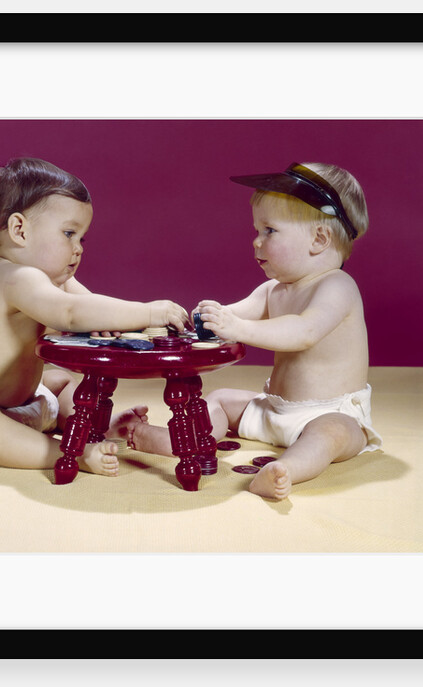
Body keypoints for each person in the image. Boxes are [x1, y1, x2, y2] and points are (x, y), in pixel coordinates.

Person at [0, 157, 189, 476]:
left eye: (82, 238)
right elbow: (71, 314)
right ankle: (69, 454)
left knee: (60, 381)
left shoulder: (52, 279)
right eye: (69, 234)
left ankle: (95, 428)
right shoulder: (13, 277)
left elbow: (92, 310)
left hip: (26, 405)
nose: (79, 248)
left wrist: (124, 324)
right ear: (19, 230)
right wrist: (149, 310)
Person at [130, 162, 382, 499]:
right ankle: (175, 440)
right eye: (257, 230)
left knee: (333, 434)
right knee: (220, 399)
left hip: (328, 412)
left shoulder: (337, 287)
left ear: (319, 239)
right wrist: (202, 318)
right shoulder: (274, 290)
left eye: (269, 231)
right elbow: (230, 317)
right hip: (273, 409)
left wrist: (237, 327)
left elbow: (303, 331)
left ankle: (284, 470)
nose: (256, 241)